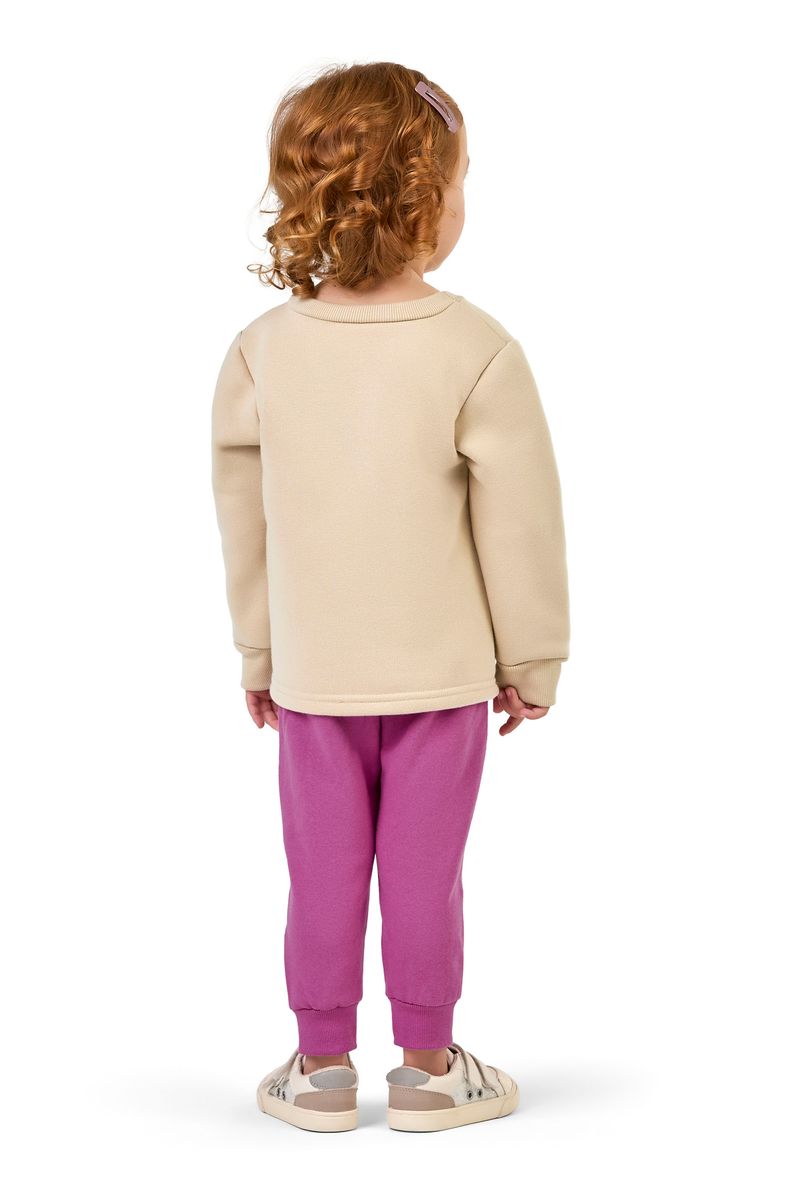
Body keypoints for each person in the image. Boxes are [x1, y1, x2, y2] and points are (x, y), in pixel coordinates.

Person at [211, 61, 570, 1134]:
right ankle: (428, 1069)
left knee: (319, 869)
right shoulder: (475, 347)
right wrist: (532, 658)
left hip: (316, 677)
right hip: (441, 676)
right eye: (459, 181)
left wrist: (259, 652)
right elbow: (520, 520)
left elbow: (245, 522)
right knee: (425, 872)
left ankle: (319, 1069)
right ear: (424, 202)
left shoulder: (263, 352)